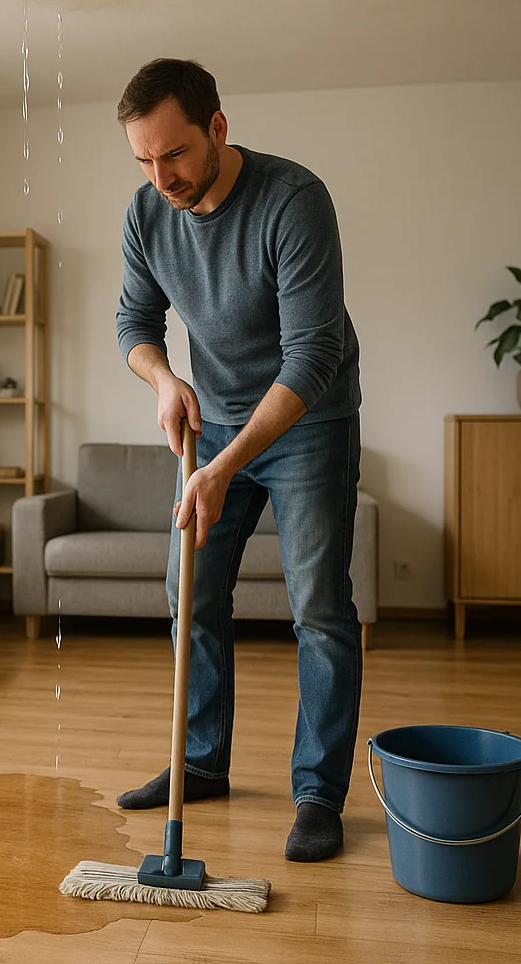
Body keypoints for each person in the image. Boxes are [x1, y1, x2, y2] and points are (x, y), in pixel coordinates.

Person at [114, 58, 363, 862]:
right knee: (189, 591)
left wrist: (221, 471)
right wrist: (162, 378)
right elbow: (133, 322)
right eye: (145, 162)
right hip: (212, 424)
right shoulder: (148, 214)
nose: (163, 178)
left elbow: (313, 353)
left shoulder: (293, 200)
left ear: (218, 129)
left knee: (318, 607)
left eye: (175, 155)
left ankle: (318, 793)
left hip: (309, 420)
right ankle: (201, 762)